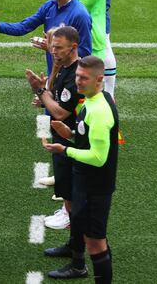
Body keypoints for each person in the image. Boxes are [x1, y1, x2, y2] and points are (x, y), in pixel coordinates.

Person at [43, 56, 119, 282]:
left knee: (96, 242)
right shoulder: (92, 100)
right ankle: (77, 266)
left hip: (96, 185)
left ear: (99, 80)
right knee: (84, 230)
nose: (78, 81)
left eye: (84, 78)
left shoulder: (100, 111)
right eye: (77, 76)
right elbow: (88, 139)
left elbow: (97, 157)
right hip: (85, 181)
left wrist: (64, 150)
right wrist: (71, 135)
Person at [25, 27, 83, 234]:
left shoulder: (75, 75)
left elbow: (60, 113)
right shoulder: (64, 67)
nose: (53, 51)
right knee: (64, 177)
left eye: (58, 47)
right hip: (65, 133)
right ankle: (66, 212)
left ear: (73, 47)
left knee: (68, 179)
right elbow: (56, 99)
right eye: (52, 46)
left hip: (71, 136)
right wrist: (44, 98)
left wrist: (41, 92)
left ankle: (69, 217)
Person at [0, 0, 92, 74]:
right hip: (53, 74)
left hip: (71, 78)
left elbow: (85, 53)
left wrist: (52, 48)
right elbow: (23, 27)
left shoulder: (80, 15)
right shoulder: (49, 6)